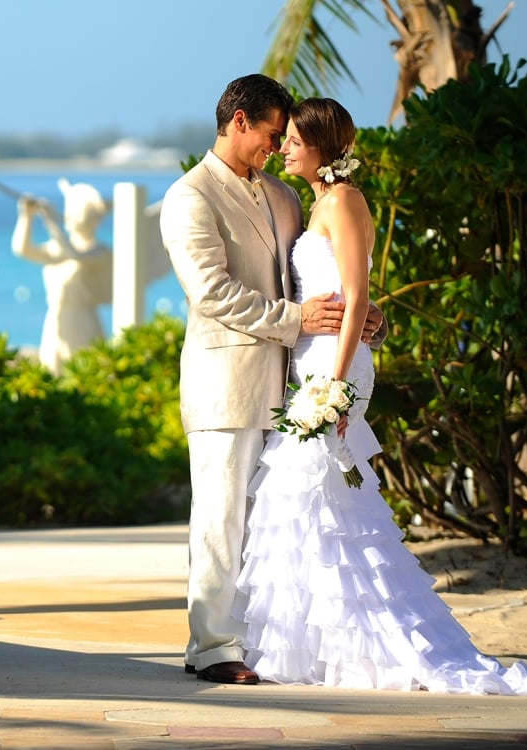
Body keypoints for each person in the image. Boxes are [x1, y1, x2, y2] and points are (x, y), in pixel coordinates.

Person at [233, 97, 527, 698]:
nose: (285, 146)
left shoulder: (344, 202)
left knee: (319, 496)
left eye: (294, 138)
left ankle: (367, 641)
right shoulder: (316, 201)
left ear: (322, 145)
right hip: (310, 363)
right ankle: (322, 646)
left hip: (331, 369)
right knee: (314, 503)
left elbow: (357, 292)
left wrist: (337, 382)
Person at [159, 75, 387, 685]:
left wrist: (363, 320)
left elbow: (321, 283)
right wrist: (298, 319)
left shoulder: (285, 196)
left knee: (266, 525)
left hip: (291, 386)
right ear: (238, 121)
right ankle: (211, 647)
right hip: (225, 386)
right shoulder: (189, 197)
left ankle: (256, 641)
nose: (276, 144)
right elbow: (211, 293)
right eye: (269, 133)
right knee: (221, 516)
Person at [12, 179, 112, 374]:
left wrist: (51, 223)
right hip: (56, 317)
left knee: (83, 373)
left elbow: (75, 255)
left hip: (82, 318)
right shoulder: (57, 247)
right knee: (51, 371)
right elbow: (22, 249)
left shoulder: (100, 252)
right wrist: (27, 217)